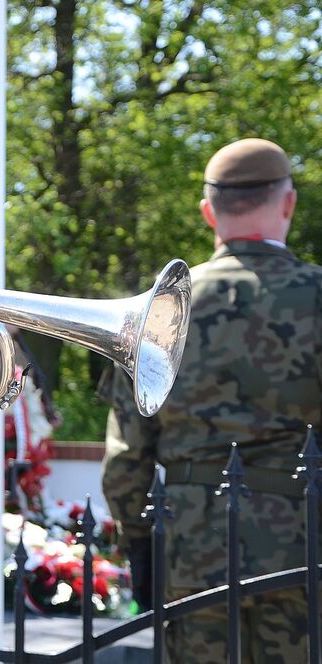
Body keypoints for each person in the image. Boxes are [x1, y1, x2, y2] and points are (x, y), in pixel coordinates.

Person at [101, 138, 321, 662]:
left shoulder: (160, 311)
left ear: (208, 213)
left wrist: (142, 545)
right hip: (303, 548)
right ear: (288, 203)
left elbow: (126, 459)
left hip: (190, 549)